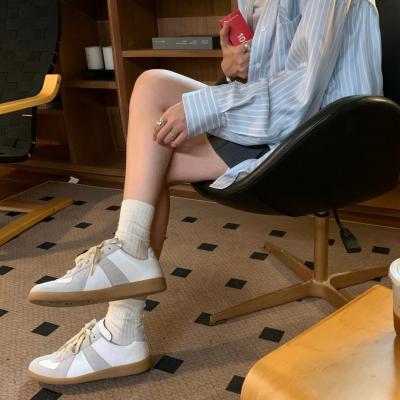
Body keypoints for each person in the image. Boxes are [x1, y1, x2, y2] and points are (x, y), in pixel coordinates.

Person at [27, 0, 383, 384]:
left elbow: (301, 94)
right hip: (279, 122)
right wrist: (231, 68)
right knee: (151, 87)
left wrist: (202, 107)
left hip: (330, 133)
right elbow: (268, 75)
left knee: (152, 163)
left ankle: (122, 328)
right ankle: (127, 265)